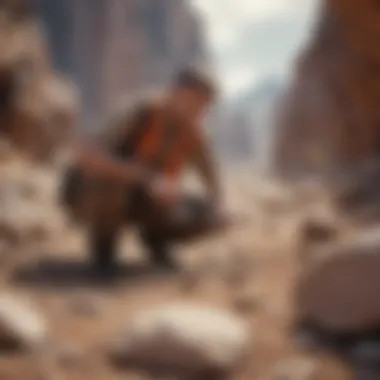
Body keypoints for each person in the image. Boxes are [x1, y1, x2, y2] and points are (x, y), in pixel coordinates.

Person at [61, 67, 229, 274]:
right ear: (178, 93)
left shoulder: (193, 133)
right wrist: (145, 177)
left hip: (144, 198)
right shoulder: (140, 112)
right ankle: (104, 253)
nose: (201, 111)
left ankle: (157, 241)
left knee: (204, 213)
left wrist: (216, 206)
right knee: (113, 182)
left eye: (206, 105)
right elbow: (87, 156)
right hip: (91, 191)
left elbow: (212, 182)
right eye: (198, 102)